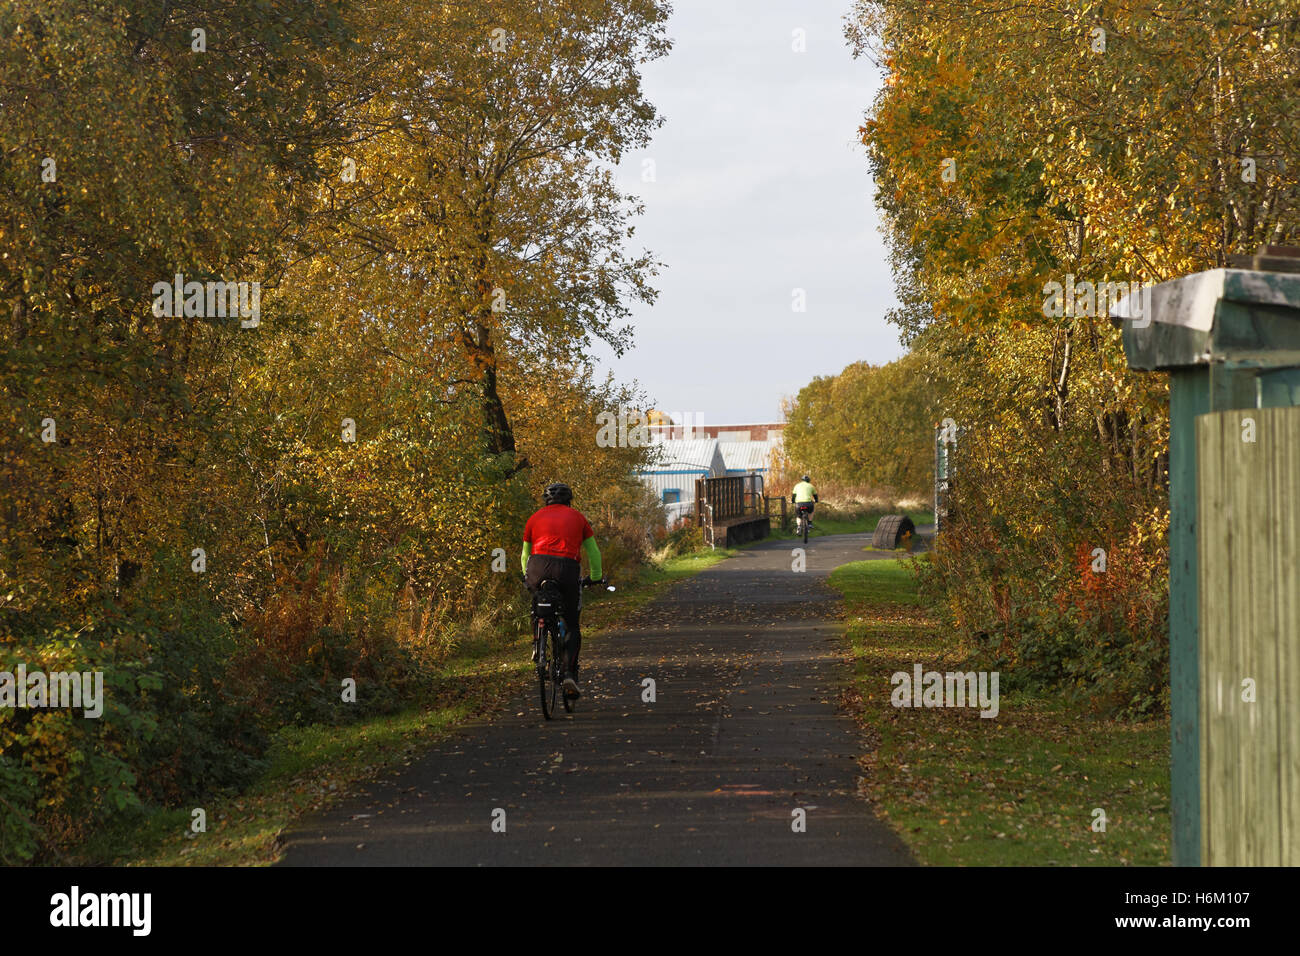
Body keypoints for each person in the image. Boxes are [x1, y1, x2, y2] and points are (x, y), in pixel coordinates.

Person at [521, 482, 603, 699]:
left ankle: (537, 640)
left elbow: (524, 555)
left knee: (538, 600)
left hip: (537, 567)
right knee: (572, 623)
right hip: (566, 569)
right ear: (569, 501)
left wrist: (527, 577)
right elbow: (593, 552)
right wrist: (595, 577)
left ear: (546, 501)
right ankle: (568, 672)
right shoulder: (578, 518)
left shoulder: (534, 518)